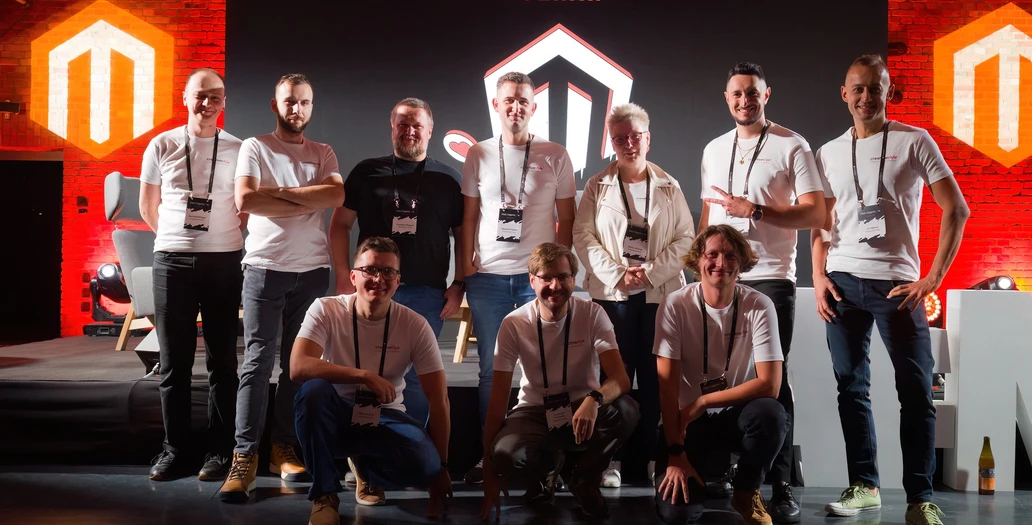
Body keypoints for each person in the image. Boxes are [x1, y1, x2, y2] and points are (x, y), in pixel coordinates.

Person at [812, 54, 969, 525]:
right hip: (841, 282)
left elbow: (956, 209)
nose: (866, 97)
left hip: (898, 284)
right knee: (851, 388)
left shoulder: (913, 140)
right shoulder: (828, 152)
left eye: (875, 89)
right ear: (844, 94)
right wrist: (818, 276)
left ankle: (921, 498)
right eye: (857, 89)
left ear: (890, 92)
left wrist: (933, 278)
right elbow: (820, 223)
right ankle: (865, 486)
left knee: (916, 391)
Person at [698, 61, 827, 522]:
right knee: (717, 372)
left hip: (770, 277)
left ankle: (781, 485)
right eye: (736, 93)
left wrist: (755, 210)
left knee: (773, 380)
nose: (744, 101)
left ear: (765, 95)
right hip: (719, 277)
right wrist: (699, 268)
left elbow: (815, 214)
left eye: (752, 93)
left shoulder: (792, 144)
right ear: (726, 98)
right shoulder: (714, 148)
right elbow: (708, 216)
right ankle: (720, 471)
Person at [220, 73, 345, 502]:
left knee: (297, 365)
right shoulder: (256, 147)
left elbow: (335, 197)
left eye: (305, 102)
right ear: (276, 105)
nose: (297, 109)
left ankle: (282, 447)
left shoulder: (323, 152)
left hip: (311, 271)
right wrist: (307, 196)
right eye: (290, 101)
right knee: (257, 363)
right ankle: (244, 455)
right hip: (264, 268)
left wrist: (279, 194)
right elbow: (247, 200)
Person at [460, 71, 576, 483]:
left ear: (533, 107)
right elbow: (469, 216)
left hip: (538, 281)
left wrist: (559, 273)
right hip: (489, 277)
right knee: (491, 371)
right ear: (496, 105)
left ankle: (547, 463)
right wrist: (466, 266)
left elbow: (567, 220)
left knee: (546, 370)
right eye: (508, 100)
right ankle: (490, 455)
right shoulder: (478, 154)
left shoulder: (555, 154)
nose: (515, 107)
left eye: (523, 100)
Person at [573, 102, 695, 487]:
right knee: (614, 379)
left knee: (658, 382)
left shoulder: (669, 186)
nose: (628, 144)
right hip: (613, 297)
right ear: (611, 143)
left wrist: (650, 272)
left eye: (635, 137)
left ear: (648, 139)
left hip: (659, 296)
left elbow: (686, 239)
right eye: (620, 138)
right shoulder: (597, 186)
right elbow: (583, 236)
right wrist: (617, 274)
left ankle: (654, 459)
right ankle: (611, 461)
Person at [291, 237, 452, 525]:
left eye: (388, 272)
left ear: (398, 281)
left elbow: (439, 400)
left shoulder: (415, 324)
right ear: (353, 277)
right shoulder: (326, 309)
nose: (379, 279)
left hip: (384, 416)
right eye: (370, 270)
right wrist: (364, 375)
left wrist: (441, 467)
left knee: (425, 467)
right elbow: (298, 366)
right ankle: (325, 495)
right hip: (335, 414)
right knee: (313, 391)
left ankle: (366, 468)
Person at [480, 242, 639, 520]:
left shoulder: (592, 313)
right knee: (506, 453)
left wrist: (594, 399)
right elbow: (498, 399)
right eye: (546, 278)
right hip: (533, 411)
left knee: (627, 410)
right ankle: (546, 474)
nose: (555, 286)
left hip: (582, 407)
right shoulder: (514, 323)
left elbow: (620, 379)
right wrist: (490, 471)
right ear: (532, 280)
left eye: (563, 277)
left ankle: (585, 480)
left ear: (573, 279)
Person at [329, 97, 463, 426]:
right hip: (371, 290)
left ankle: (408, 444)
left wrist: (459, 283)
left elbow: (463, 235)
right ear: (392, 128)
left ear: (430, 130)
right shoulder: (366, 172)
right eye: (403, 124)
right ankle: (364, 446)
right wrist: (344, 275)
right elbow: (340, 225)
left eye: (417, 125)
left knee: (417, 377)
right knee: (365, 371)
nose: (410, 131)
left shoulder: (449, 179)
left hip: (426, 293)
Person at [140, 67, 244, 481]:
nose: (207, 103)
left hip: (223, 260)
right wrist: (175, 239)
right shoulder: (161, 144)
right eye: (200, 95)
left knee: (223, 363)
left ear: (224, 103)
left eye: (215, 96)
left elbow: (244, 206)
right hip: (171, 262)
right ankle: (175, 450)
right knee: (173, 363)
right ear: (185, 98)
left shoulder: (238, 148)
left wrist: (218, 237)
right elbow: (148, 205)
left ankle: (220, 451)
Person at [654, 225, 788, 525]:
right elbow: (667, 388)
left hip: (734, 418)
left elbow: (771, 384)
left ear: (741, 262)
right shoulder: (675, 304)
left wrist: (704, 400)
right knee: (677, 515)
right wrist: (675, 452)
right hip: (687, 423)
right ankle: (692, 477)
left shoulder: (759, 305)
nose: (721, 263)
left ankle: (746, 491)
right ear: (697, 260)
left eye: (730, 255)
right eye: (712, 254)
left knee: (771, 414)